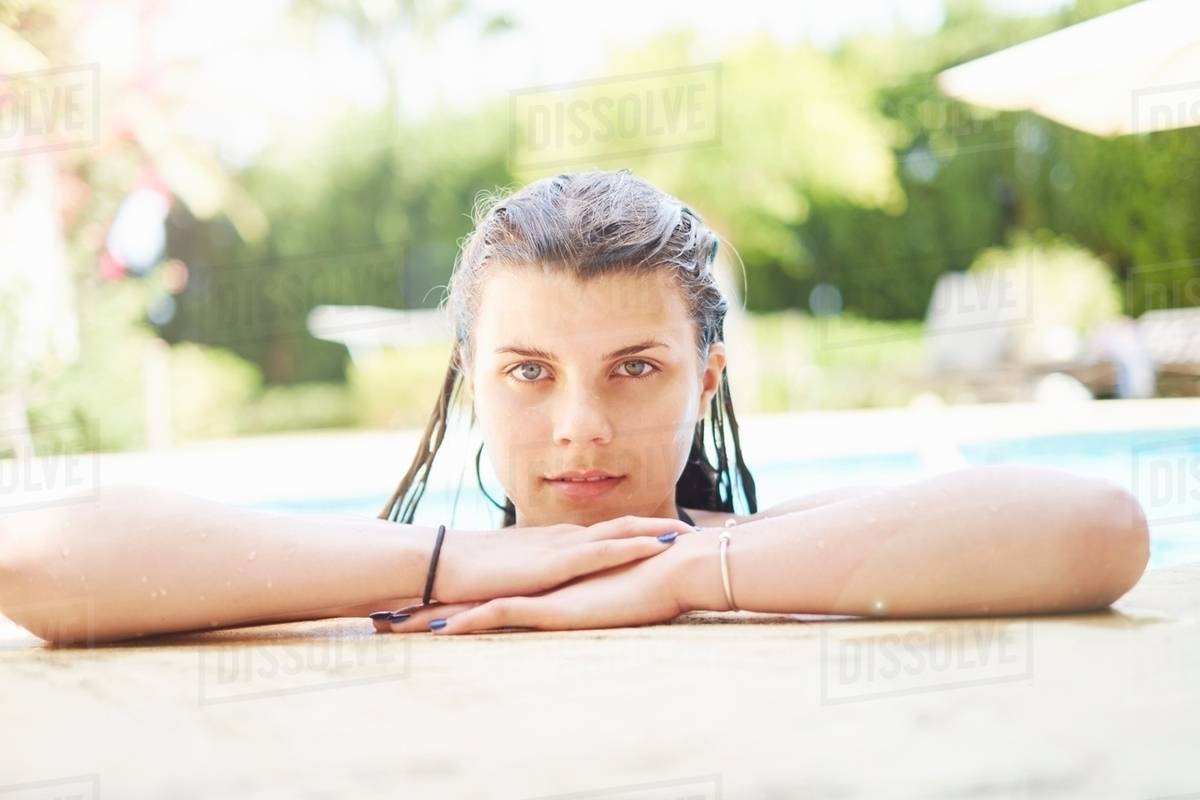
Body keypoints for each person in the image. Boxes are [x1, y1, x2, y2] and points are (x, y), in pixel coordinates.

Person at [0, 170, 1150, 645]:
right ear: (470, 376)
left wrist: (687, 573)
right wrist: (463, 563)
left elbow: (1102, 525)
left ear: (708, 375)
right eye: (529, 370)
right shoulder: (401, 565)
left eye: (635, 368)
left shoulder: (757, 547)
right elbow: (34, 561)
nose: (580, 428)